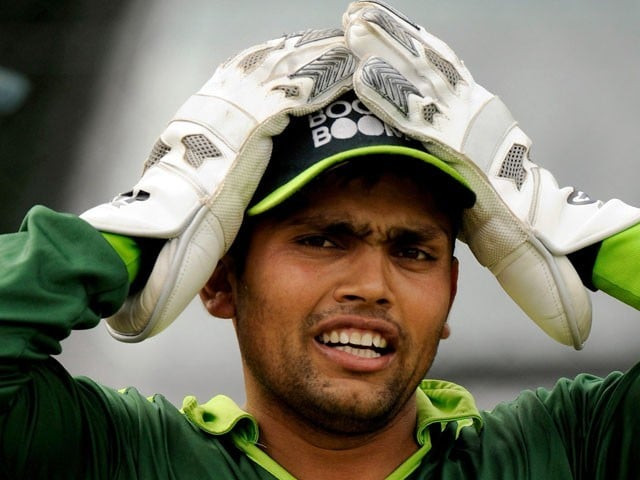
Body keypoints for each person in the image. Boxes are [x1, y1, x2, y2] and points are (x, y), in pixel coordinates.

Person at [2, 2, 639, 479]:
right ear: (219, 278)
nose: (372, 285)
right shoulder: (117, 456)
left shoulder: (567, 451)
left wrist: (571, 226)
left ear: (450, 293)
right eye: (323, 241)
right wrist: (156, 215)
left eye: (412, 251)